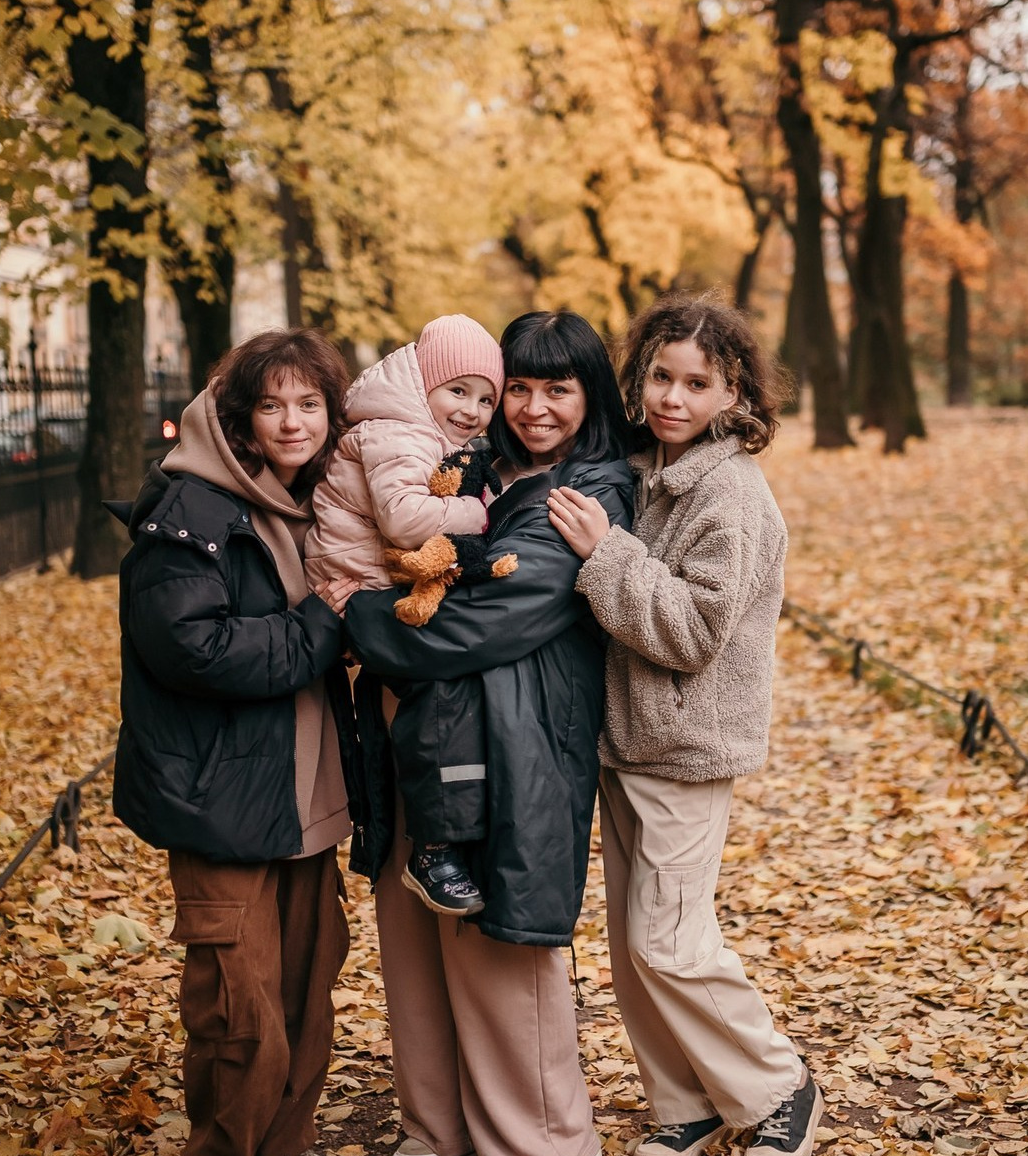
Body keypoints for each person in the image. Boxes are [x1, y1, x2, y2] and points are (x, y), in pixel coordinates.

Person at [328, 311, 635, 1156]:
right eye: (519, 388)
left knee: (501, 971)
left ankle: (539, 1146)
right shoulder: (469, 467)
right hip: (417, 737)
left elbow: (485, 619)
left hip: (511, 749)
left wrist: (353, 615)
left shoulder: (590, 491)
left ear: (591, 395)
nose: (535, 408)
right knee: (417, 963)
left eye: (558, 390)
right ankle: (435, 1136)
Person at [546, 295, 823, 1156]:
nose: (673, 397)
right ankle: (685, 1107)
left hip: (689, 749)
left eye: (695, 383)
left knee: (668, 938)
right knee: (636, 952)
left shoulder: (728, 493)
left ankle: (779, 1088)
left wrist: (607, 554)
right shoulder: (651, 470)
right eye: (660, 376)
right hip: (628, 743)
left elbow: (696, 632)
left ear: (731, 390)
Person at [112, 328, 355, 1156]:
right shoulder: (192, 508)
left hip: (301, 803)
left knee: (304, 1009)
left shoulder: (304, 504)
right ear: (240, 418)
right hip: (221, 799)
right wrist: (323, 620)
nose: (293, 421)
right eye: (272, 404)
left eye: (309, 403)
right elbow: (190, 646)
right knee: (241, 1025)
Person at [304, 313, 506, 917]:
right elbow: (406, 520)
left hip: (373, 570)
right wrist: (481, 517)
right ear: (425, 385)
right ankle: (433, 847)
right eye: (458, 391)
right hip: (355, 578)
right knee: (434, 688)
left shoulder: (420, 430)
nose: (471, 410)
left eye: (485, 399)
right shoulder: (399, 431)